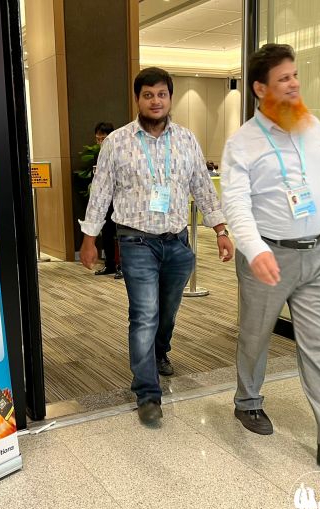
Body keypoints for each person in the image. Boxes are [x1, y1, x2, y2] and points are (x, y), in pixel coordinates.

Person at [220, 44, 320, 467]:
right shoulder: (243, 143)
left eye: (294, 75)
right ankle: (247, 400)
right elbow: (236, 204)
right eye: (283, 78)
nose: (294, 84)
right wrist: (255, 250)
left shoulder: (311, 126)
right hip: (268, 257)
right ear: (260, 88)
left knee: (317, 346)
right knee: (255, 337)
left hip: (317, 254)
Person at [80, 67, 234, 425]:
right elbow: (100, 192)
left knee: (167, 311)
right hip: (136, 241)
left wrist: (220, 229)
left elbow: (202, 187)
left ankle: (160, 351)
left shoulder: (186, 140)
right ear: (138, 99)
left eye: (161, 94)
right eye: (148, 95)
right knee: (144, 314)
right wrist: (89, 239)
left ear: (170, 98)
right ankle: (147, 393)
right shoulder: (117, 142)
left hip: (177, 242)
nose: (155, 101)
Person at [92, 122, 123, 279]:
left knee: (121, 234)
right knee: (106, 233)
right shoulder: (99, 155)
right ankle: (109, 264)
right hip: (106, 201)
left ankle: (123, 267)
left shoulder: (121, 152)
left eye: (102, 139)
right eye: (97, 139)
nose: (100, 142)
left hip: (120, 201)